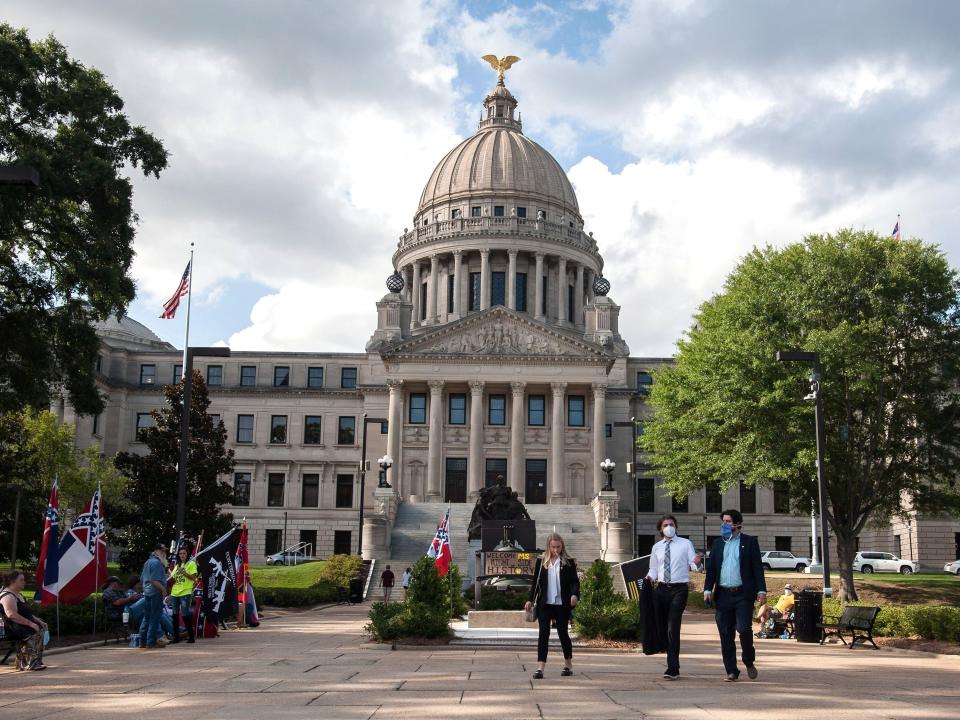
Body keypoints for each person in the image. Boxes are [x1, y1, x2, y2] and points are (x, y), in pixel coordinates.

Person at [703, 509, 767, 681]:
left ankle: (748, 660)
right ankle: (731, 670)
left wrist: (761, 590)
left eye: (728, 521)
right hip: (723, 595)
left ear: (737, 523)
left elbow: (757, 569)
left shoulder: (749, 542)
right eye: (723, 521)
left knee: (744, 628)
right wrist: (707, 589)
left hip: (742, 594)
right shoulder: (718, 543)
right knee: (725, 633)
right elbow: (712, 569)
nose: (724, 524)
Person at [645, 515, 701, 680]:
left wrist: (697, 563)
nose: (669, 527)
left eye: (671, 524)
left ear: (676, 527)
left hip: (679, 590)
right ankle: (665, 649)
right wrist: (648, 580)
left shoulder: (685, 544)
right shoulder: (657, 547)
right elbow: (654, 569)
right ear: (660, 529)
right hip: (661, 589)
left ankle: (673, 667)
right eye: (665, 525)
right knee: (662, 626)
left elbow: (694, 566)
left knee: (672, 626)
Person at [524, 532, 579, 679]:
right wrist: (530, 599)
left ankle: (568, 664)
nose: (556, 550)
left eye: (559, 547)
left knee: (563, 633)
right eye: (553, 547)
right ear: (548, 546)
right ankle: (540, 668)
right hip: (545, 604)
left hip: (562, 604)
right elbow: (535, 582)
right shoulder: (541, 562)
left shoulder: (568, 562)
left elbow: (574, 582)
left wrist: (574, 595)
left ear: (562, 546)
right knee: (543, 635)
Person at [0, 570, 48, 671]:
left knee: (41, 628)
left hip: (21, 625)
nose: (24, 582)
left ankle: (31, 661)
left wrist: (39, 621)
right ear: (12, 581)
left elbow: (28, 614)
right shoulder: (8, 596)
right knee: (34, 631)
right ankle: (31, 663)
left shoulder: (19, 595)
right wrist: (31, 624)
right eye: (21, 580)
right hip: (12, 627)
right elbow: (11, 615)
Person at [140, 543, 169, 649]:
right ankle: (150, 642)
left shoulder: (148, 562)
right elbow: (154, 581)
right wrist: (163, 590)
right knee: (154, 617)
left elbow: (142, 579)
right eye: (163, 551)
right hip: (155, 592)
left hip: (147, 592)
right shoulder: (157, 563)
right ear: (157, 551)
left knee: (146, 617)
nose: (164, 553)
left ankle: (142, 641)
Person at [169, 543, 198, 644]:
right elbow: (171, 578)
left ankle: (191, 637)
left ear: (187, 554)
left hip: (185, 592)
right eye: (180, 553)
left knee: (185, 614)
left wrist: (184, 573)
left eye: (184, 553)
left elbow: (194, 578)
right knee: (175, 615)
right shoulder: (177, 565)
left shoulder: (191, 564)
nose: (182, 555)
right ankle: (176, 637)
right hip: (175, 593)